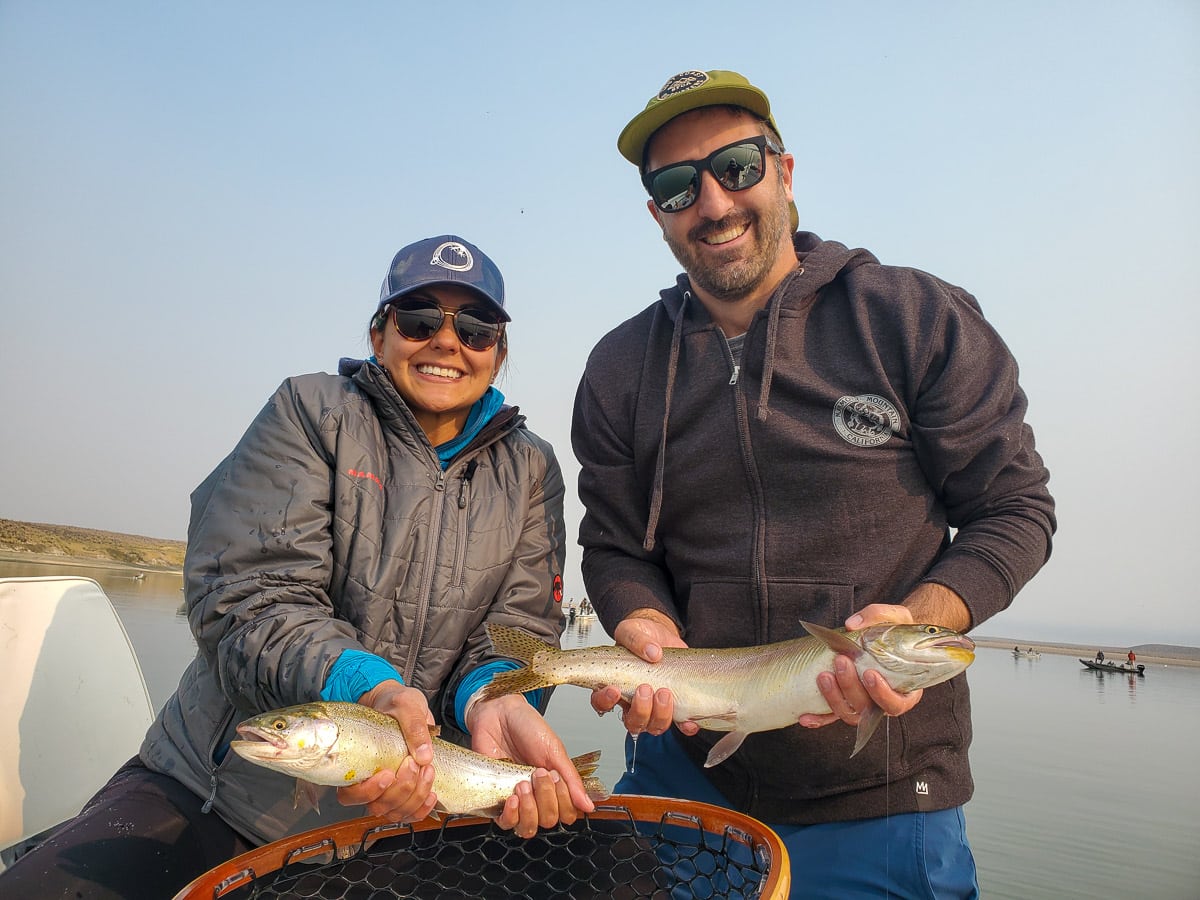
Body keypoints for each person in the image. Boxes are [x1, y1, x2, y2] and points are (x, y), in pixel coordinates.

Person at [572, 70, 1056, 898]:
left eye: (737, 167)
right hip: (683, 770)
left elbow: (1015, 510)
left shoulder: (911, 317)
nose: (714, 204)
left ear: (784, 171)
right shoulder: (621, 367)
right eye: (678, 186)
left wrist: (921, 617)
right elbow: (615, 544)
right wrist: (642, 621)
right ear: (656, 213)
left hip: (886, 795)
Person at [0, 235, 592, 900]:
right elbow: (252, 596)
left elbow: (517, 627)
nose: (447, 342)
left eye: (477, 328)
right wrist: (371, 689)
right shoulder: (308, 411)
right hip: (215, 792)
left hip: (405, 823)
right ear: (379, 333)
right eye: (420, 319)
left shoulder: (532, 468)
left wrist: (496, 699)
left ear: (499, 352)